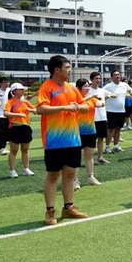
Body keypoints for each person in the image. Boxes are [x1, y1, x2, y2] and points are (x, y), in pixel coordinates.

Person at [35, 55, 88, 226]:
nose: (70, 70)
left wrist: (79, 107)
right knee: (53, 175)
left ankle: (68, 207)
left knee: (70, 174)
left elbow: (85, 106)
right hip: (54, 140)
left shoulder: (71, 88)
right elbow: (40, 109)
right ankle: (50, 210)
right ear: (56, 70)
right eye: (67, 67)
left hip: (73, 139)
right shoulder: (47, 87)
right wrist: (64, 107)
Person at [74, 79, 103, 187]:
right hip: (77, 132)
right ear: (78, 88)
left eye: (88, 86)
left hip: (90, 131)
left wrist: (101, 102)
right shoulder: (76, 98)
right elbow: (77, 104)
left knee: (89, 156)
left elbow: (99, 104)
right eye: (85, 86)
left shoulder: (91, 99)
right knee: (77, 157)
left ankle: (91, 177)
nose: (87, 88)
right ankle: (75, 180)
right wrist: (91, 97)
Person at [4, 83, 36, 179]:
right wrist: (18, 115)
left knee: (25, 150)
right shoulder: (10, 102)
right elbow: (6, 113)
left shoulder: (25, 102)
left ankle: (26, 168)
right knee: (14, 150)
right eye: (20, 89)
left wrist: (30, 109)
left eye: (23, 89)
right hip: (15, 127)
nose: (22, 91)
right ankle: (12, 170)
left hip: (25, 127)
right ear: (14, 91)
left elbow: (35, 110)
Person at [103, 70, 132, 153]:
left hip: (121, 111)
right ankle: (107, 147)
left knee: (118, 129)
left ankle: (116, 146)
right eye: (115, 75)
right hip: (111, 111)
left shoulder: (124, 85)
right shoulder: (108, 86)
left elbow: (130, 90)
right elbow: (102, 94)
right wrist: (109, 95)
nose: (117, 76)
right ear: (112, 77)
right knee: (110, 129)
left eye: (118, 74)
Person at [87, 71, 110, 164]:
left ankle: (100, 157)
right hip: (92, 119)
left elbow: (109, 96)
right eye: (96, 78)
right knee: (91, 140)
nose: (98, 80)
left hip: (102, 118)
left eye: (99, 78)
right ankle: (89, 159)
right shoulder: (88, 91)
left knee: (101, 138)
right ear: (91, 80)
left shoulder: (101, 90)